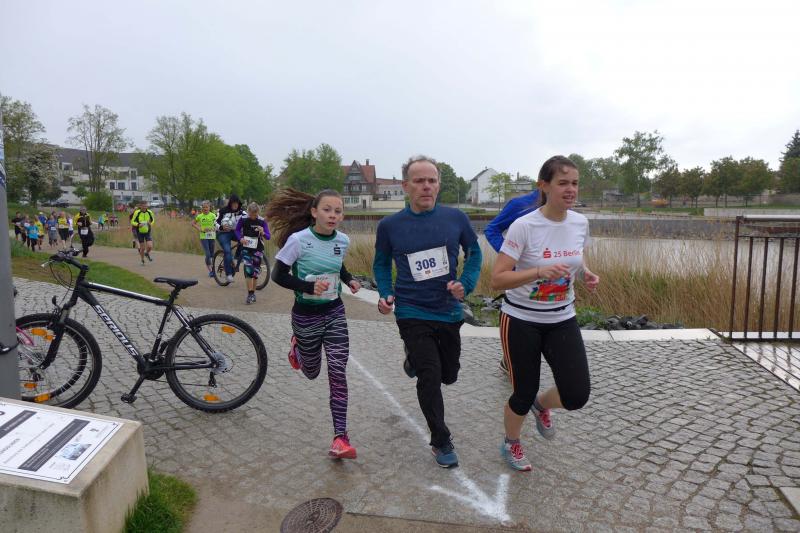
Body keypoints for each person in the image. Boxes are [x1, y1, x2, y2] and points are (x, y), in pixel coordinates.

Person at [490, 155, 599, 472]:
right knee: (522, 392)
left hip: (562, 318)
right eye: (563, 183)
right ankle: (511, 442)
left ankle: (542, 405)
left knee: (576, 394)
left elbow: (576, 257)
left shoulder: (579, 223)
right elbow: (498, 278)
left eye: (575, 183)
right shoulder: (524, 226)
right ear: (544, 186)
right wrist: (538, 271)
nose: (571, 190)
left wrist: (586, 273)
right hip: (521, 320)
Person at [373, 155, 482, 469]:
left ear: (438, 185)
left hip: (448, 311)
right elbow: (381, 264)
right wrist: (385, 293)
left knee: (449, 374)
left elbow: (474, 253)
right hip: (411, 310)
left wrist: (465, 284)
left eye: (431, 180)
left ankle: (414, 360)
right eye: (419, 181)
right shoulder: (390, 226)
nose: (426, 186)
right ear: (406, 186)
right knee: (430, 377)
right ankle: (440, 440)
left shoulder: (455, 218)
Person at [267, 188, 361, 459]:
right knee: (311, 372)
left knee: (337, 371)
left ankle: (340, 438)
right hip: (306, 316)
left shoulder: (342, 240)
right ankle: (297, 348)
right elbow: (278, 275)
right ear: (314, 212)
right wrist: (307, 286)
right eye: (327, 210)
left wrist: (350, 280)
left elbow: (338, 266)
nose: (333, 215)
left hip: (334, 313)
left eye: (338, 211)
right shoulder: (298, 240)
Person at [485, 189, 541, 373]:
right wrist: (511, 256)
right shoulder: (520, 205)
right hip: (520, 281)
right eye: (561, 182)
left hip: (551, 284)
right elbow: (492, 229)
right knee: (522, 331)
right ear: (544, 182)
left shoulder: (564, 207)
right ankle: (510, 361)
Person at [235, 202, 271, 304]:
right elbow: (237, 230)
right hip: (246, 248)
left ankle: (253, 294)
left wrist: (263, 232)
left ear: (258, 213)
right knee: (248, 271)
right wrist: (240, 239)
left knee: (255, 272)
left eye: (255, 215)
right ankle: (250, 294)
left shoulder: (262, 221)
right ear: (248, 212)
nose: (252, 217)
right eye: (251, 214)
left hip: (258, 249)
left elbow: (268, 236)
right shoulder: (243, 219)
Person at [215, 194, 245, 283]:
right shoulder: (222, 211)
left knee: (245, 241)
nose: (235, 205)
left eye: (237, 203)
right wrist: (221, 227)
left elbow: (251, 219)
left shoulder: (242, 213)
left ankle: (236, 258)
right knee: (227, 251)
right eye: (233, 203)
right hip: (222, 233)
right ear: (230, 203)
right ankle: (228, 274)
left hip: (235, 232)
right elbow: (214, 222)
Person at [192, 200, 218, 278]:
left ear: (209, 207)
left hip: (212, 236)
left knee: (212, 254)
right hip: (203, 237)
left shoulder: (213, 215)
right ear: (202, 208)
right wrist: (199, 229)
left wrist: (214, 228)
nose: (205, 209)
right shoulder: (200, 216)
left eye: (206, 207)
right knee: (208, 254)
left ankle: (213, 269)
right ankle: (210, 270)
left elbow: (217, 224)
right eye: (203, 207)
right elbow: (193, 223)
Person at [131, 200, 156, 265]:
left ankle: (146, 253)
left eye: (146, 206)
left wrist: (150, 224)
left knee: (150, 246)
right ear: (140, 206)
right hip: (139, 232)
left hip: (147, 231)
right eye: (143, 206)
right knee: (142, 248)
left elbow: (153, 220)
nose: (145, 207)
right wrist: (138, 224)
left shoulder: (149, 212)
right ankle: (142, 260)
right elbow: (132, 221)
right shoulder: (137, 212)